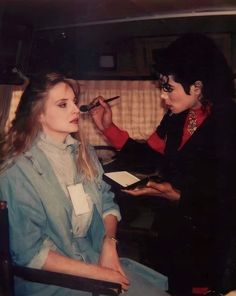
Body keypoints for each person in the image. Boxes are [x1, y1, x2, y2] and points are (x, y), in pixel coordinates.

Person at [90, 33, 236, 295]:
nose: (163, 97)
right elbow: (148, 155)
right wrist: (108, 128)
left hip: (212, 239)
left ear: (198, 86)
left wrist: (179, 195)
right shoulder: (176, 117)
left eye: (169, 88)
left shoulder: (228, 123)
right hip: (174, 228)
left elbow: (227, 195)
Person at [0, 72, 169, 296]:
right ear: (38, 113)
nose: (76, 110)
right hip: (50, 281)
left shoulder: (84, 153)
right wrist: (101, 274)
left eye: (75, 102)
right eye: (63, 104)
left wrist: (109, 243)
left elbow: (107, 202)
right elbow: (30, 254)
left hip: (93, 256)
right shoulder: (17, 169)